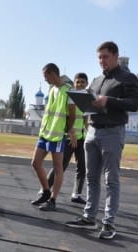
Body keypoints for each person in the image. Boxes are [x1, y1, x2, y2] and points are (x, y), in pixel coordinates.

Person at [65, 41, 138, 239]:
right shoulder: (96, 80)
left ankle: (109, 223)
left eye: (105, 57)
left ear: (115, 56)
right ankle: (89, 217)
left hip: (112, 132)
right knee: (91, 177)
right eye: (99, 57)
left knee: (111, 179)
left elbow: (134, 104)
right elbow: (91, 103)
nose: (101, 61)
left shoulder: (127, 78)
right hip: (92, 131)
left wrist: (108, 101)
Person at [31, 63, 76, 211]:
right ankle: (45, 191)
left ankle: (53, 200)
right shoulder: (51, 90)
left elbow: (72, 114)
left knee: (58, 168)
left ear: (52, 74)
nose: (45, 79)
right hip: (45, 133)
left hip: (57, 135)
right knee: (35, 163)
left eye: (45, 76)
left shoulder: (69, 90)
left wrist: (69, 130)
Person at [47, 73, 88, 205]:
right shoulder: (70, 97)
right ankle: (45, 191)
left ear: (86, 84)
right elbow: (65, 117)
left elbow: (86, 119)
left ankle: (76, 194)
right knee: (60, 166)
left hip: (81, 138)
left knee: (82, 167)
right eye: (78, 82)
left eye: (82, 82)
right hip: (68, 138)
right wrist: (70, 133)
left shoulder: (87, 99)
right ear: (74, 83)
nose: (80, 84)